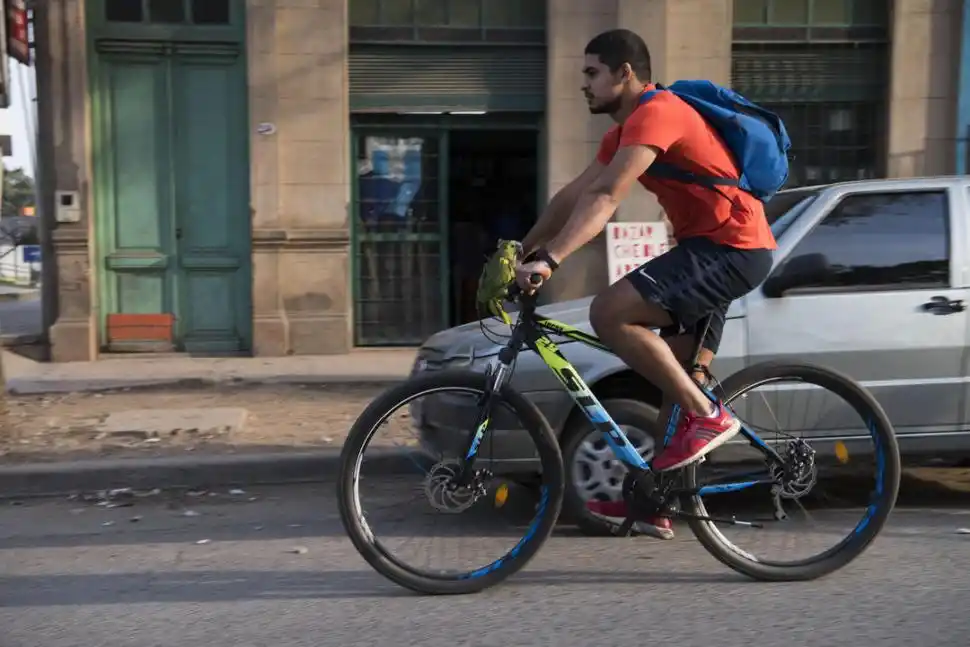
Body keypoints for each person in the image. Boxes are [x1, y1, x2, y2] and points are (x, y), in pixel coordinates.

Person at [515, 29, 777, 540]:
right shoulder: (622, 133)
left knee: (609, 313)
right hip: (712, 248)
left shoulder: (662, 110)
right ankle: (660, 499)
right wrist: (521, 250)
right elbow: (575, 195)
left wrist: (551, 259)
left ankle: (707, 416)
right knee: (674, 373)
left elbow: (608, 195)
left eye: (592, 73)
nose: (584, 85)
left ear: (625, 73)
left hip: (731, 246)